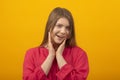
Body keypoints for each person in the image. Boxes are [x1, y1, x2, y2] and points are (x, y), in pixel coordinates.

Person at [23, 7, 89, 80]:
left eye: (67, 28)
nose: (63, 31)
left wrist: (59, 56)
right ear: (49, 27)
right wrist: (51, 56)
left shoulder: (80, 54)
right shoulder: (31, 54)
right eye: (59, 26)